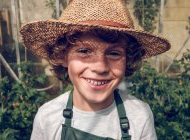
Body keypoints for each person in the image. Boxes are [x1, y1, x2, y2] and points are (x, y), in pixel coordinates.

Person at [20, 0, 171, 139]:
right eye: (84, 51)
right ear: (63, 56)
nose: (100, 67)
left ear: (128, 60)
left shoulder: (139, 116)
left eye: (114, 53)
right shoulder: (48, 117)